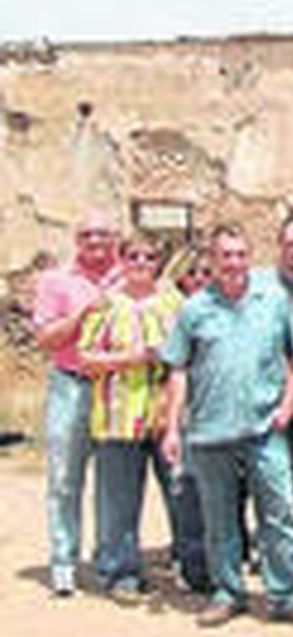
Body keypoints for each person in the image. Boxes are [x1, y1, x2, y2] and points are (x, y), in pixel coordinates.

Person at [158, 223, 293, 628]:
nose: (233, 263)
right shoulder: (194, 309)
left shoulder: (273, 301)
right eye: (225, 256)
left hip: (264, 428)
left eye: (240, 254)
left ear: (250, 257)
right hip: (210, 431)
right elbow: (178, 369)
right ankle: (228, 592)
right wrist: (171, 428)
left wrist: (288, 404)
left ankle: (287, 594)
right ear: (212, 261)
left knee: (281, 512)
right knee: (219, 519)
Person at [76, 230, 196, 598]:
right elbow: (85, 358)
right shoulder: (105, 305)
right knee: (120, 498)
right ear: (122, 261)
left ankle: (193, 565)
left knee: (183, 493)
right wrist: (133, 358)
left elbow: (188, 356)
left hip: (167, 415)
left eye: (148, 257)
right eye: (133, 257)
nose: (141, 264)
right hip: (118, 415)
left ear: (158, 262)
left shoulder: (175, 304)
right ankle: (122, 571)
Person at [32, 212, 123, 596]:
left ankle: (108, 561)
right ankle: (64, 562)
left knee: (112, 480)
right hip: (70, 384)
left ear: (115, 237)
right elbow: (47, 340)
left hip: (117, 388)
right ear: (76, 238)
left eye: (102, 234)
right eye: (87, 234)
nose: (95, 241)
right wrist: (81, 316)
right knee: (66, 478)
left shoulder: (128, 276)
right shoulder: (56, 281)